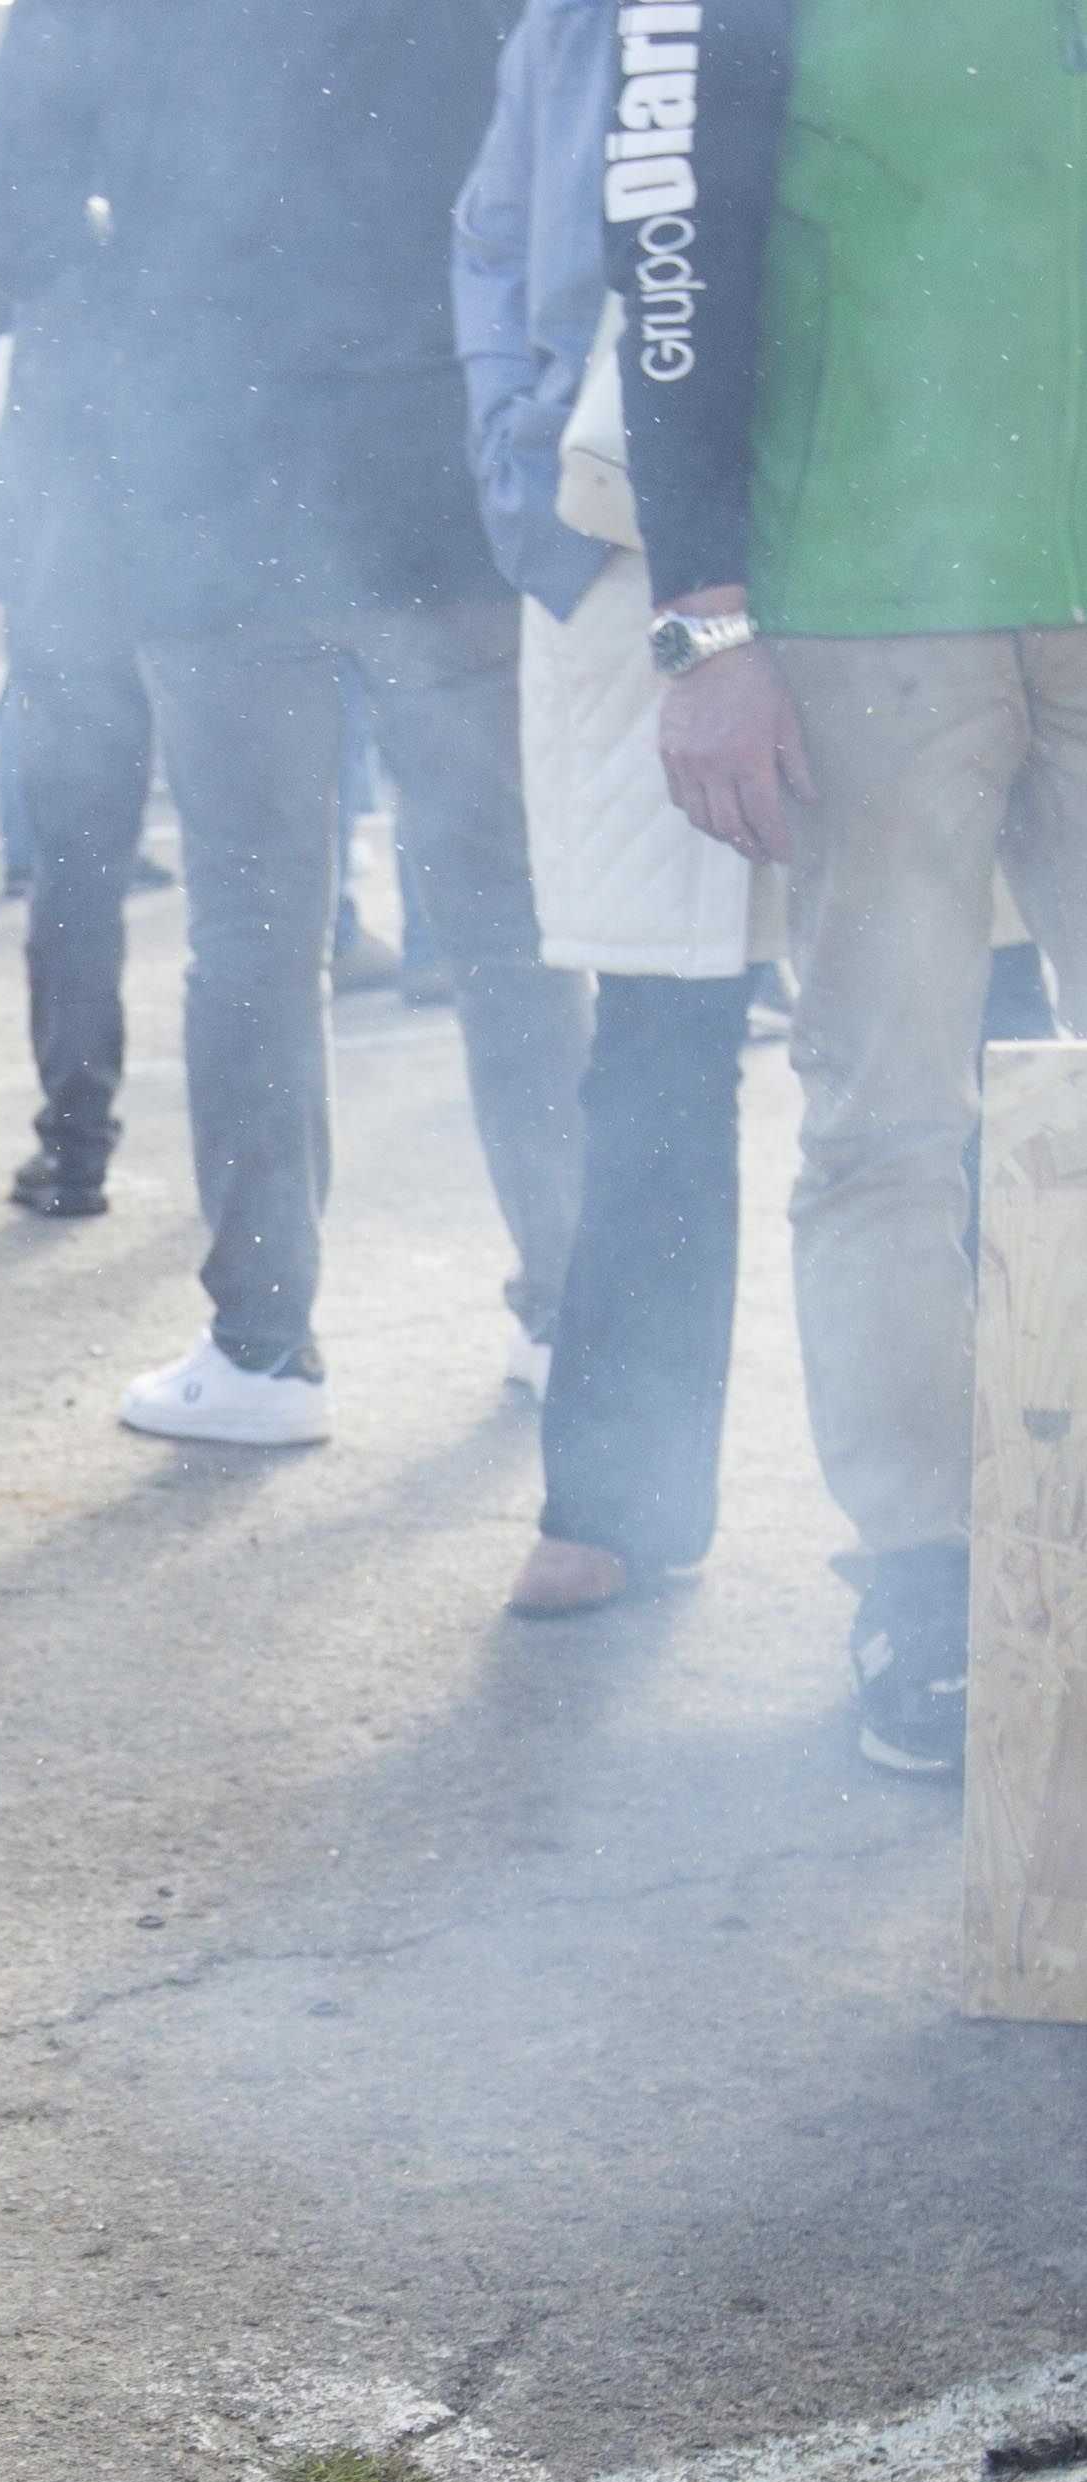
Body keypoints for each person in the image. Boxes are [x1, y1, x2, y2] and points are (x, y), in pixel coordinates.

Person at [0, 0, 588, 1450]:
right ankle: (572, 1313)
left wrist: (154, 289)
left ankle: (263, 1350)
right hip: (436, 474)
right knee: (507, 922)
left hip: (215, 492)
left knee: (252, 929)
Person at [611, 1, 1087, 1779]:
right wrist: (701, 622)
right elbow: (663, 256)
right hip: (865, 607)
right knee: (885, 1119)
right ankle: (923, 1574)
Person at [456, 0, 770, 1617]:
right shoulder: (577, 19)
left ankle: (997, 1491)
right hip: (621, 541)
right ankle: (621, 1490)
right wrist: (522, 478)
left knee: (962, 1031)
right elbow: (497, 238)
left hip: (890, 535)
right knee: (653, 1032)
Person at [0, 164, 154, 1224]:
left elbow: (20, 466)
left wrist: (3, 571)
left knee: (77, 892)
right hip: (210, 598)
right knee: (261, 897)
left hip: (74, 607)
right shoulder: (200, 242)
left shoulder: (51, 274)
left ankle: (75, 1148)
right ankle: (263, 1172)